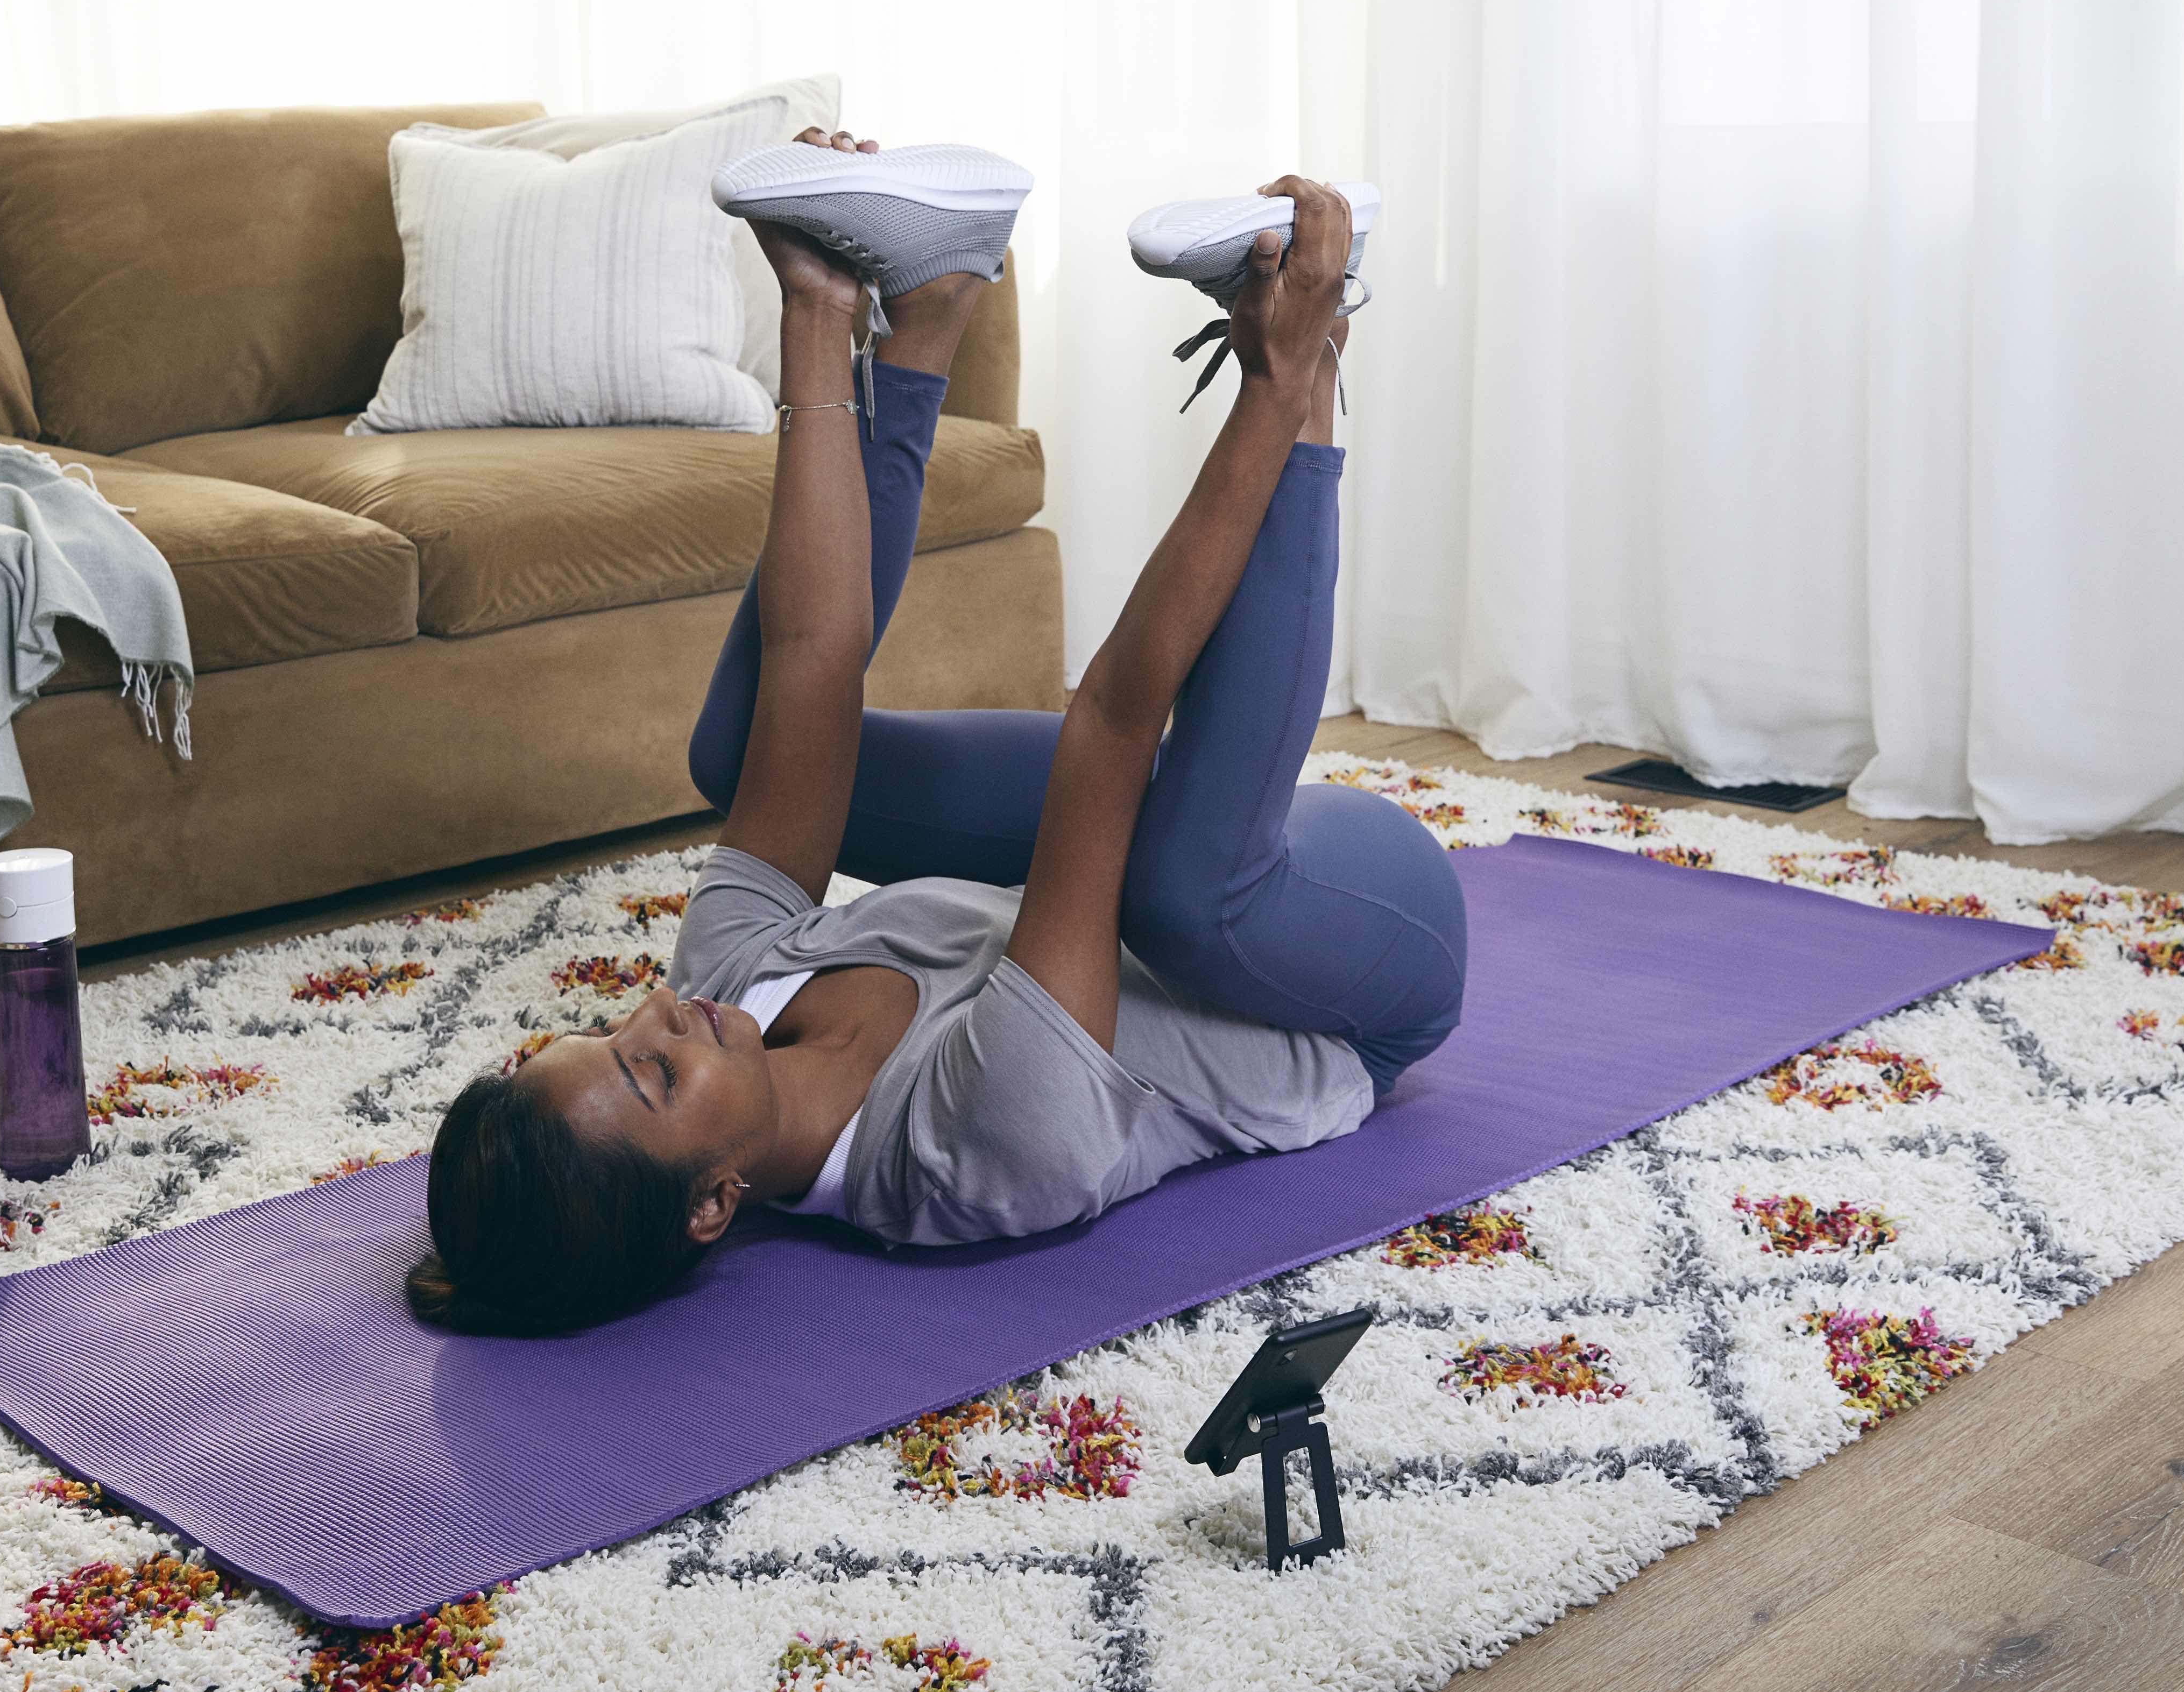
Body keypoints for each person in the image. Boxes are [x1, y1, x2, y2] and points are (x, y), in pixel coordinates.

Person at [404, 132, 1469, 1334]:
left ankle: (937, 288)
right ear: (710, 1206)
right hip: (1347, 974)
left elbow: (813, 659)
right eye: (651, 1072)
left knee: (750, 741)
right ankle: (1321, 345)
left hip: (1179, 846)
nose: (656, 1014)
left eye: (607, 1034)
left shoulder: (727, 987)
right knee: (1179, 885)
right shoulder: (980, 1149)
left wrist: (817, 306)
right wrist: (1273, 383)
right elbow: (1112, 722)